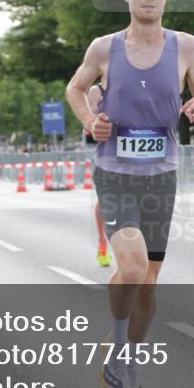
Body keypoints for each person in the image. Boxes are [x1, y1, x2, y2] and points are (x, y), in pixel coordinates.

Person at [65, 0, 194, 388]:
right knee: (131, 269)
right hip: (115, 174)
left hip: (161, 177)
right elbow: (75, 89)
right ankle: (116, 350)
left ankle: (127, 360)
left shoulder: (186, 47)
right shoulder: (103, 48)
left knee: (147, 283)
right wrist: (91, 122)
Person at [84, 83, 112, 267]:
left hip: (136, 157)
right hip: (107, 155)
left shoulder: (139, 82)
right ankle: (103, 241)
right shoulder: (97, 91)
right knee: (105, 200)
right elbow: (89, 128)